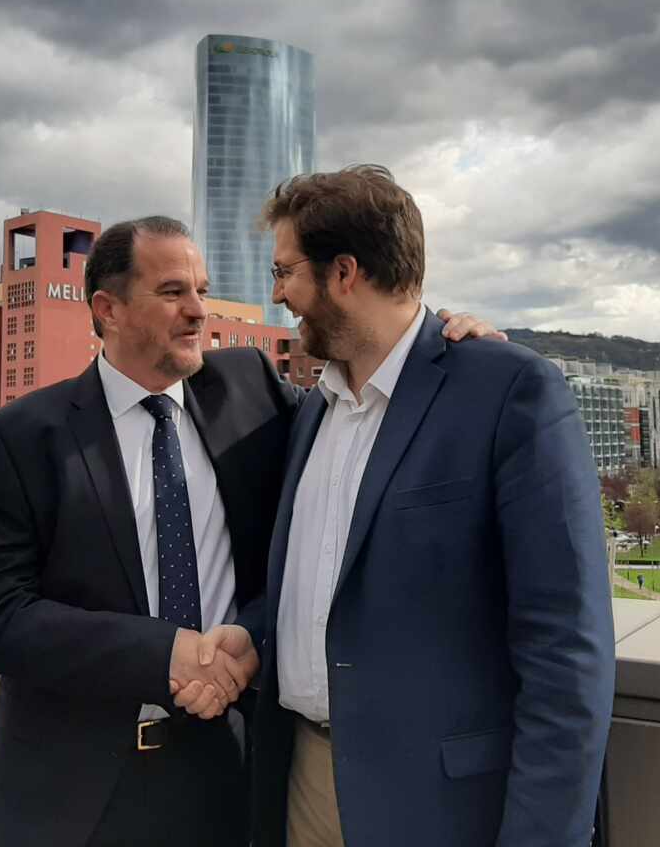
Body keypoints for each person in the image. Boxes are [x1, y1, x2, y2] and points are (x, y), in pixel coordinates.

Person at [0, 215, 500, 847]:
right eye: (172, 293)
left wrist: (443, 347)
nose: (197, 312)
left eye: (201, 290)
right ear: (107, 309)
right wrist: (161, 653)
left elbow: (370, 411)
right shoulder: (26, 436)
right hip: (74, 796)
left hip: (229, 773)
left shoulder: (251, 389)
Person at [233, 166, 615, 847]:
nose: (277, 293)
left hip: (437, 805)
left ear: (344, 272)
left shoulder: (509, 391)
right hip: (303, 784)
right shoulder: (314, 411)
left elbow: (566, 646)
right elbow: (319, 585)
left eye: (286, 271)